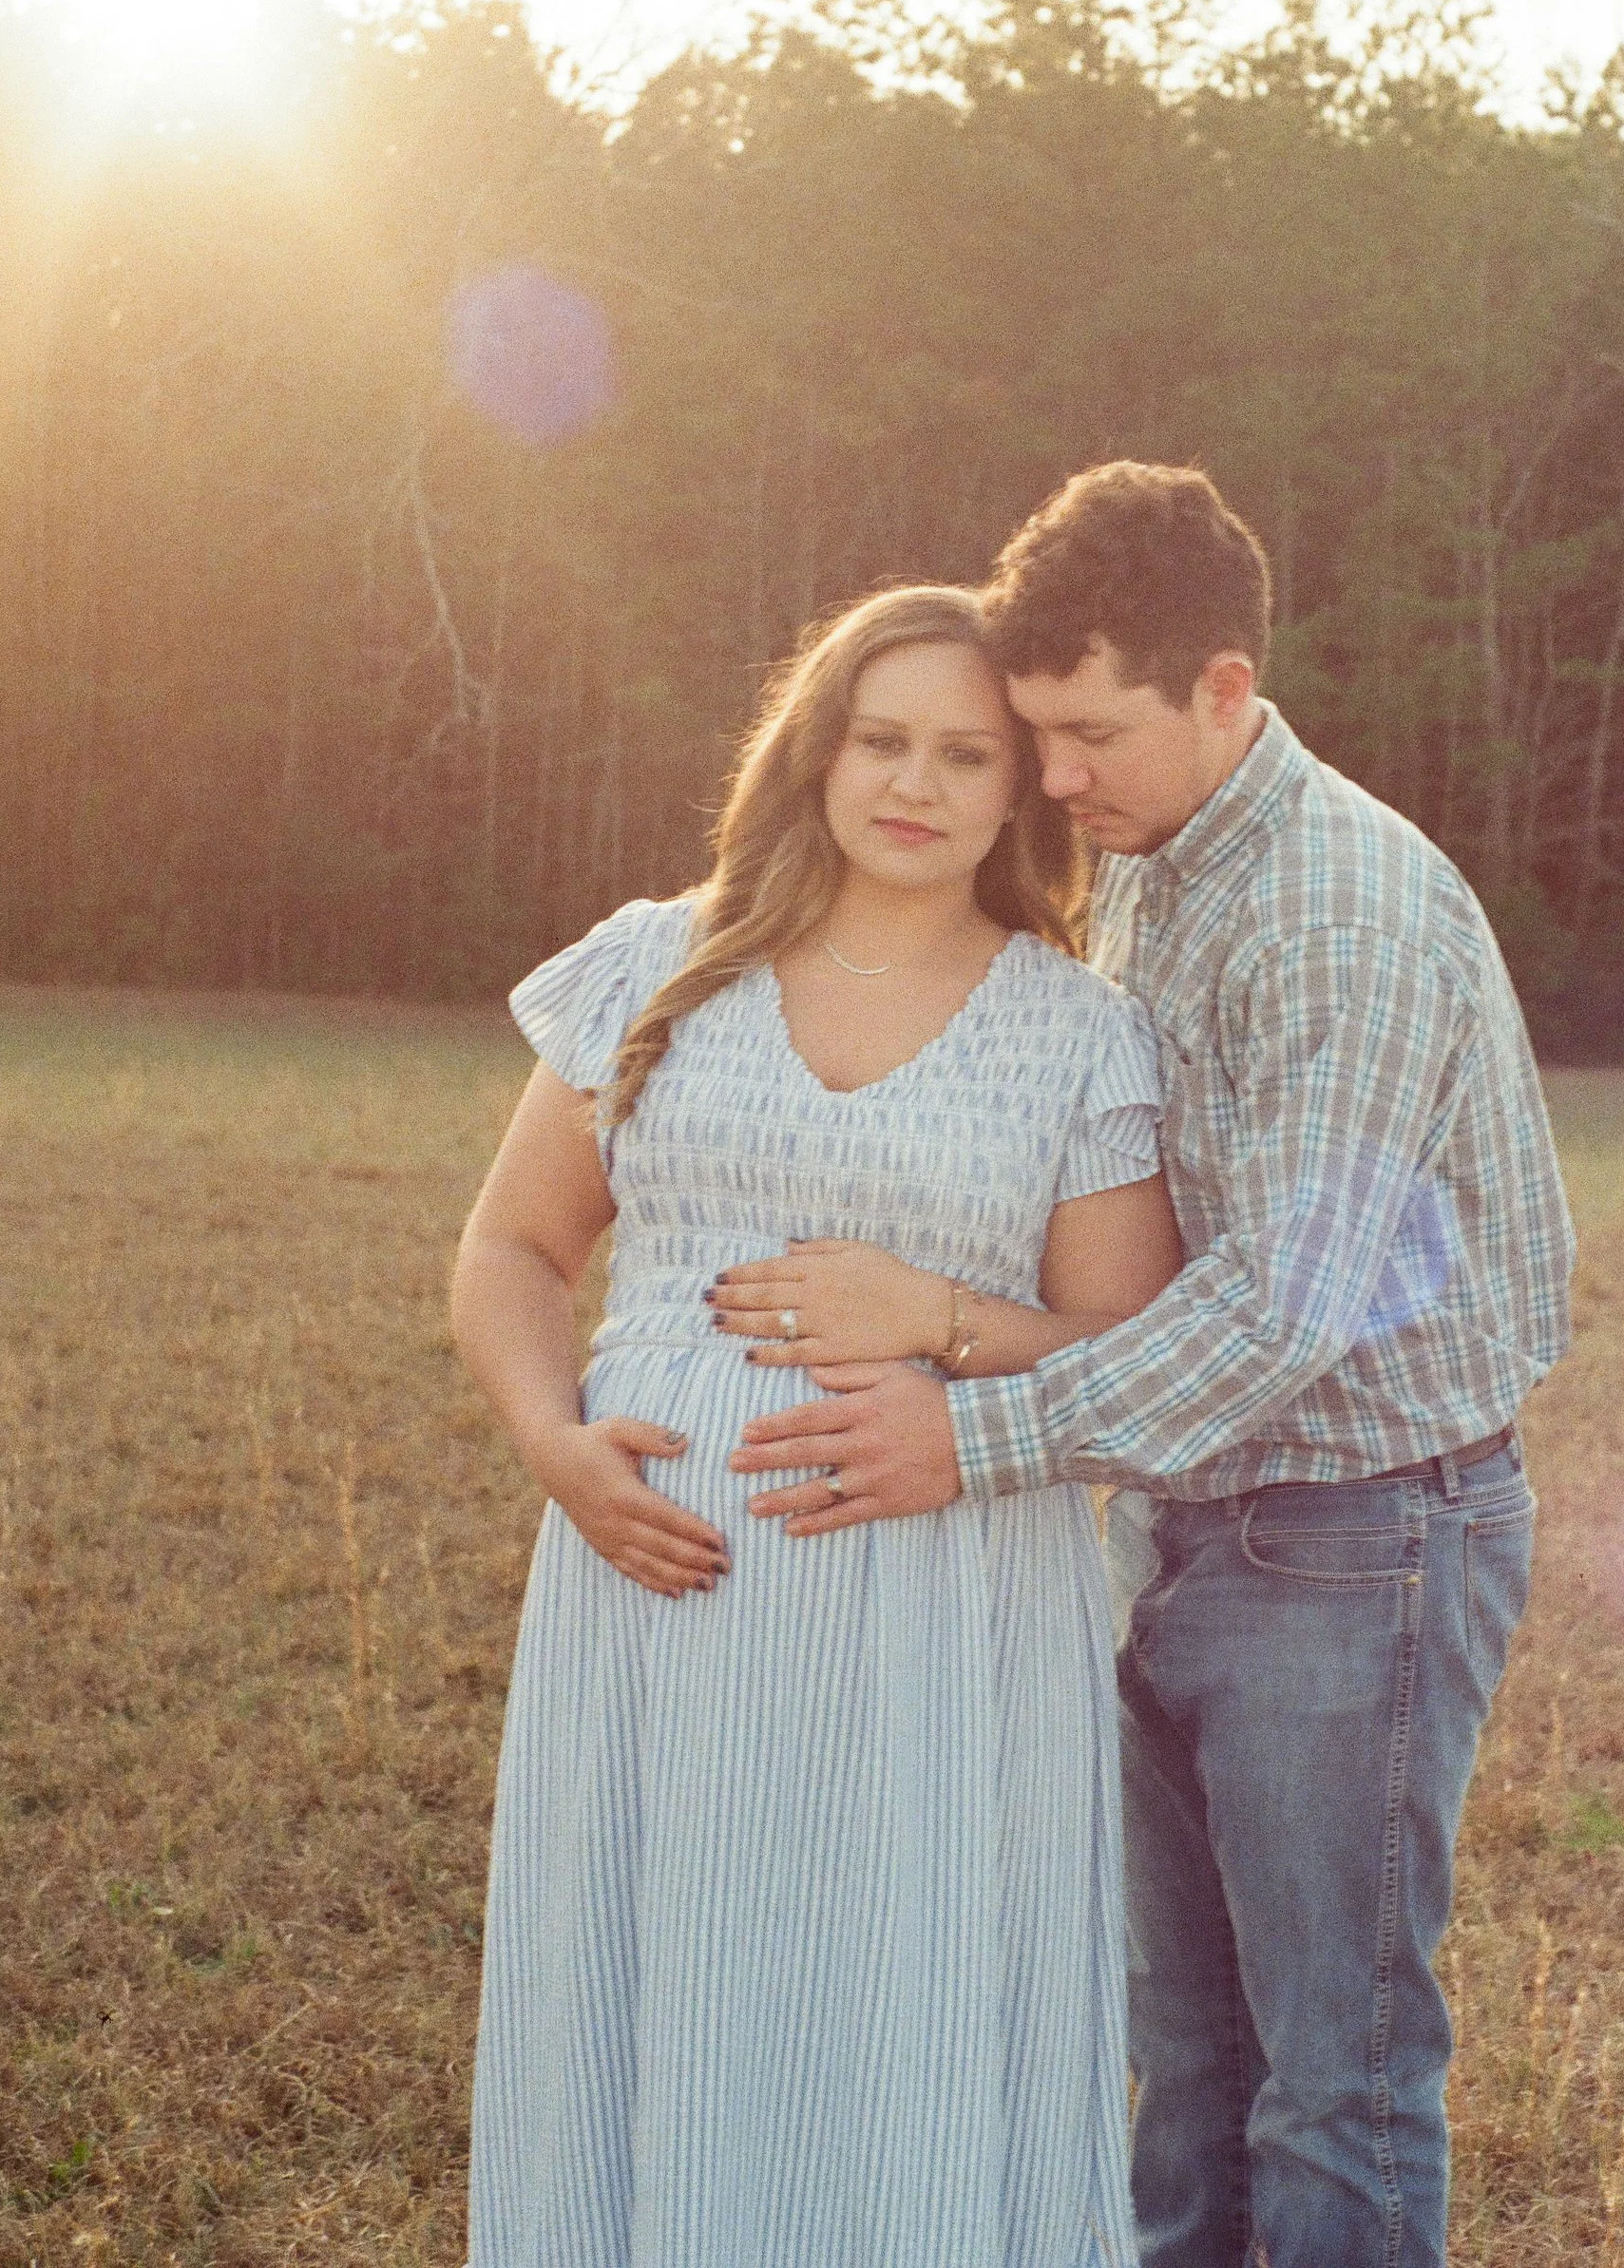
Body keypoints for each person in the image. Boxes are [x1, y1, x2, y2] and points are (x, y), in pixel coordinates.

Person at [734, 466, 1576, 2268]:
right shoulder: (1156, 864)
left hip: (1357, 1539)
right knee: (1184, 2060)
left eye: (1088, 733)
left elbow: (1281, 1308)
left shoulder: (1333, 911)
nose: (1051, 781)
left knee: (1330, 2079)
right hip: (1191, 1522)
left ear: (1224, 687)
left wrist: (978, 1433)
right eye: (1031, 734)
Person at [449, 581, 1182, 2268]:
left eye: (965, 754)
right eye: (882, 741)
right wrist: (554, 1444)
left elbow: (1124, 1347)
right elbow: (513, 1248)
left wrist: (936, 1319)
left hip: (945, 1601)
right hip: (659, 1598)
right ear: (820, 751)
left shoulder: (1078, 1032)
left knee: (900, 2002)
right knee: (667, 1979)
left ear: (1020, 792)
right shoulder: (661, 960)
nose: (915, 785)